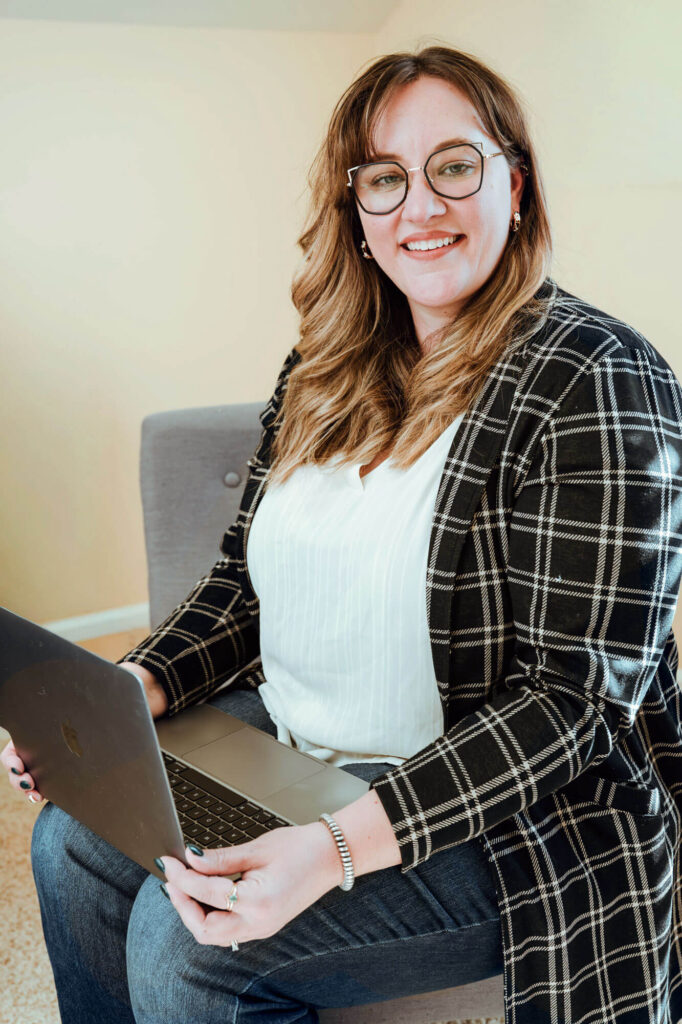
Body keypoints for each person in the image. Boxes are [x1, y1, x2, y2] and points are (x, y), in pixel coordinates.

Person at [3, 43, 682, 1024]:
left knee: (184, 945)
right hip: (297, 746)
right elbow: (242, 585)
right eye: (384, 177)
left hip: (511, 813)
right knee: (70, 841)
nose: (421, 205)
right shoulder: (322, 366)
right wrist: (127, 691)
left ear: (516, 185)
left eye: (455, 165)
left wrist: (330, 849)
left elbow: (574, 707)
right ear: (355, 211)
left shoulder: (598, 379)